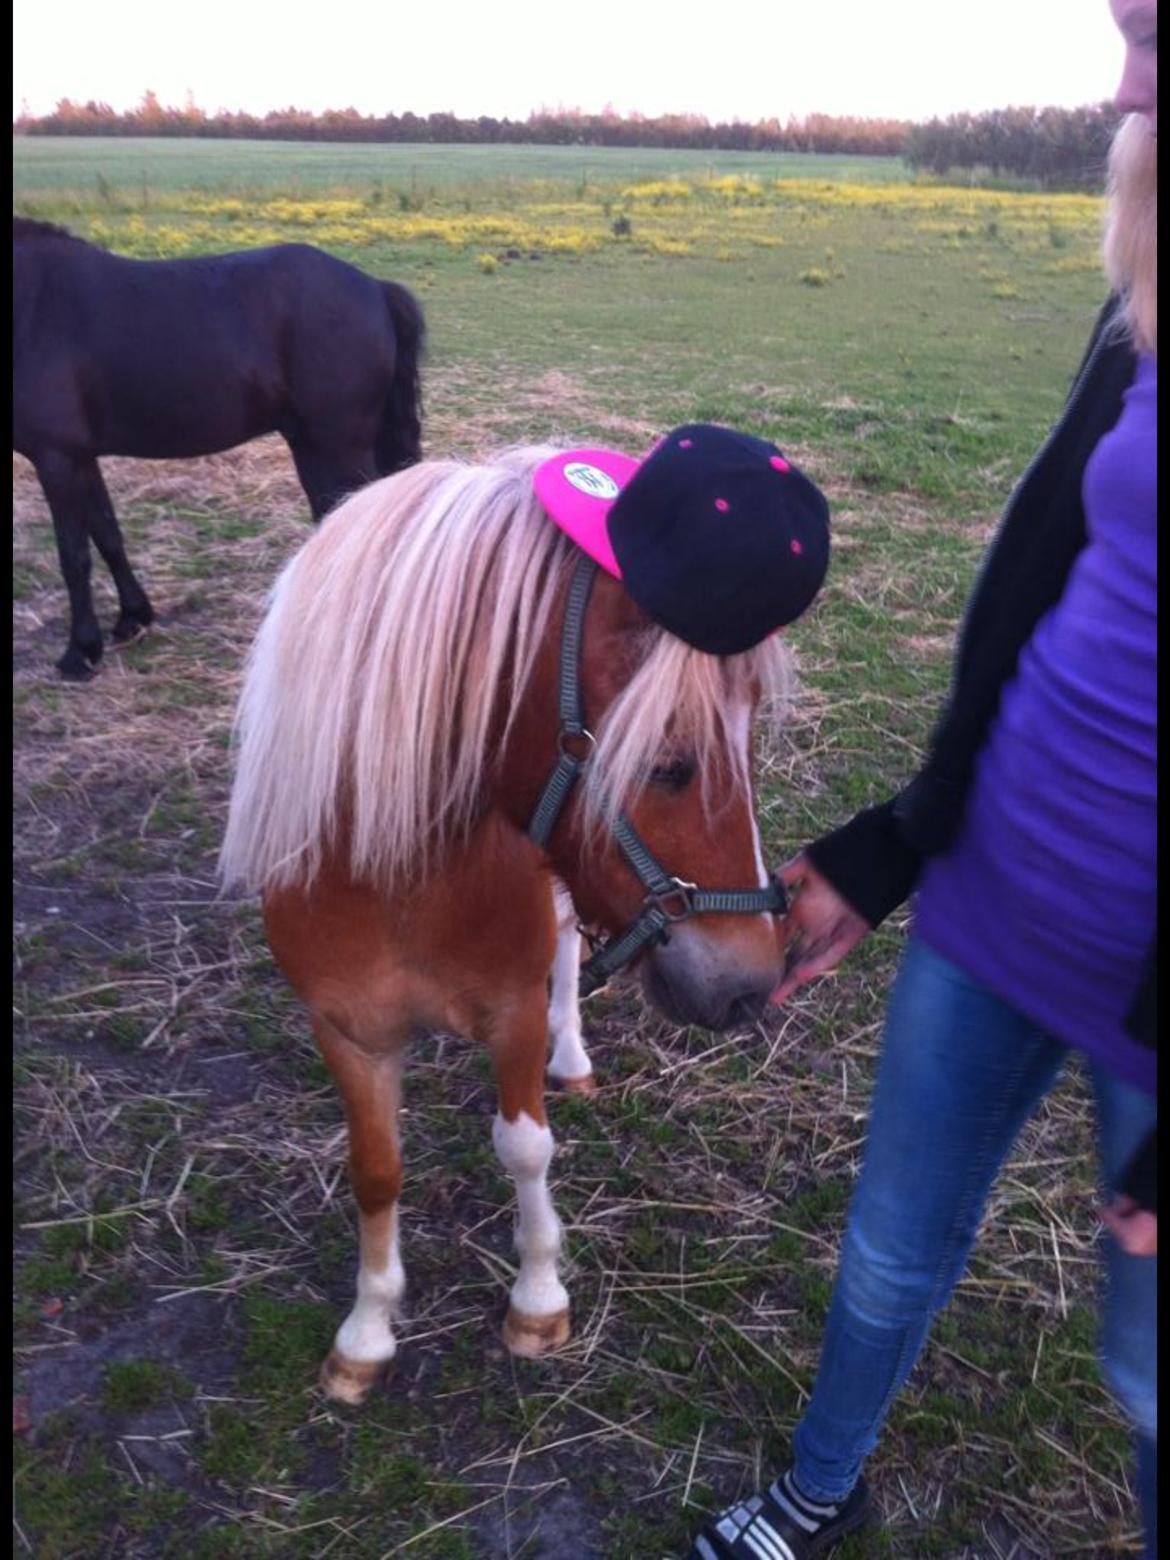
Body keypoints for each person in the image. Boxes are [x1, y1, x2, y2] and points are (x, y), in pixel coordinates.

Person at [687, 2, 1157, 1555]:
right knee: (887, 1258)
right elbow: (1038, 580)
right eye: (1124, 31)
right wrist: (901, 842)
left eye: (1154, 31)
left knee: (1147, 1376)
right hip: (996, 895)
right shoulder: (1143, 302)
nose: (1123, 77)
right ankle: (817, 1494)